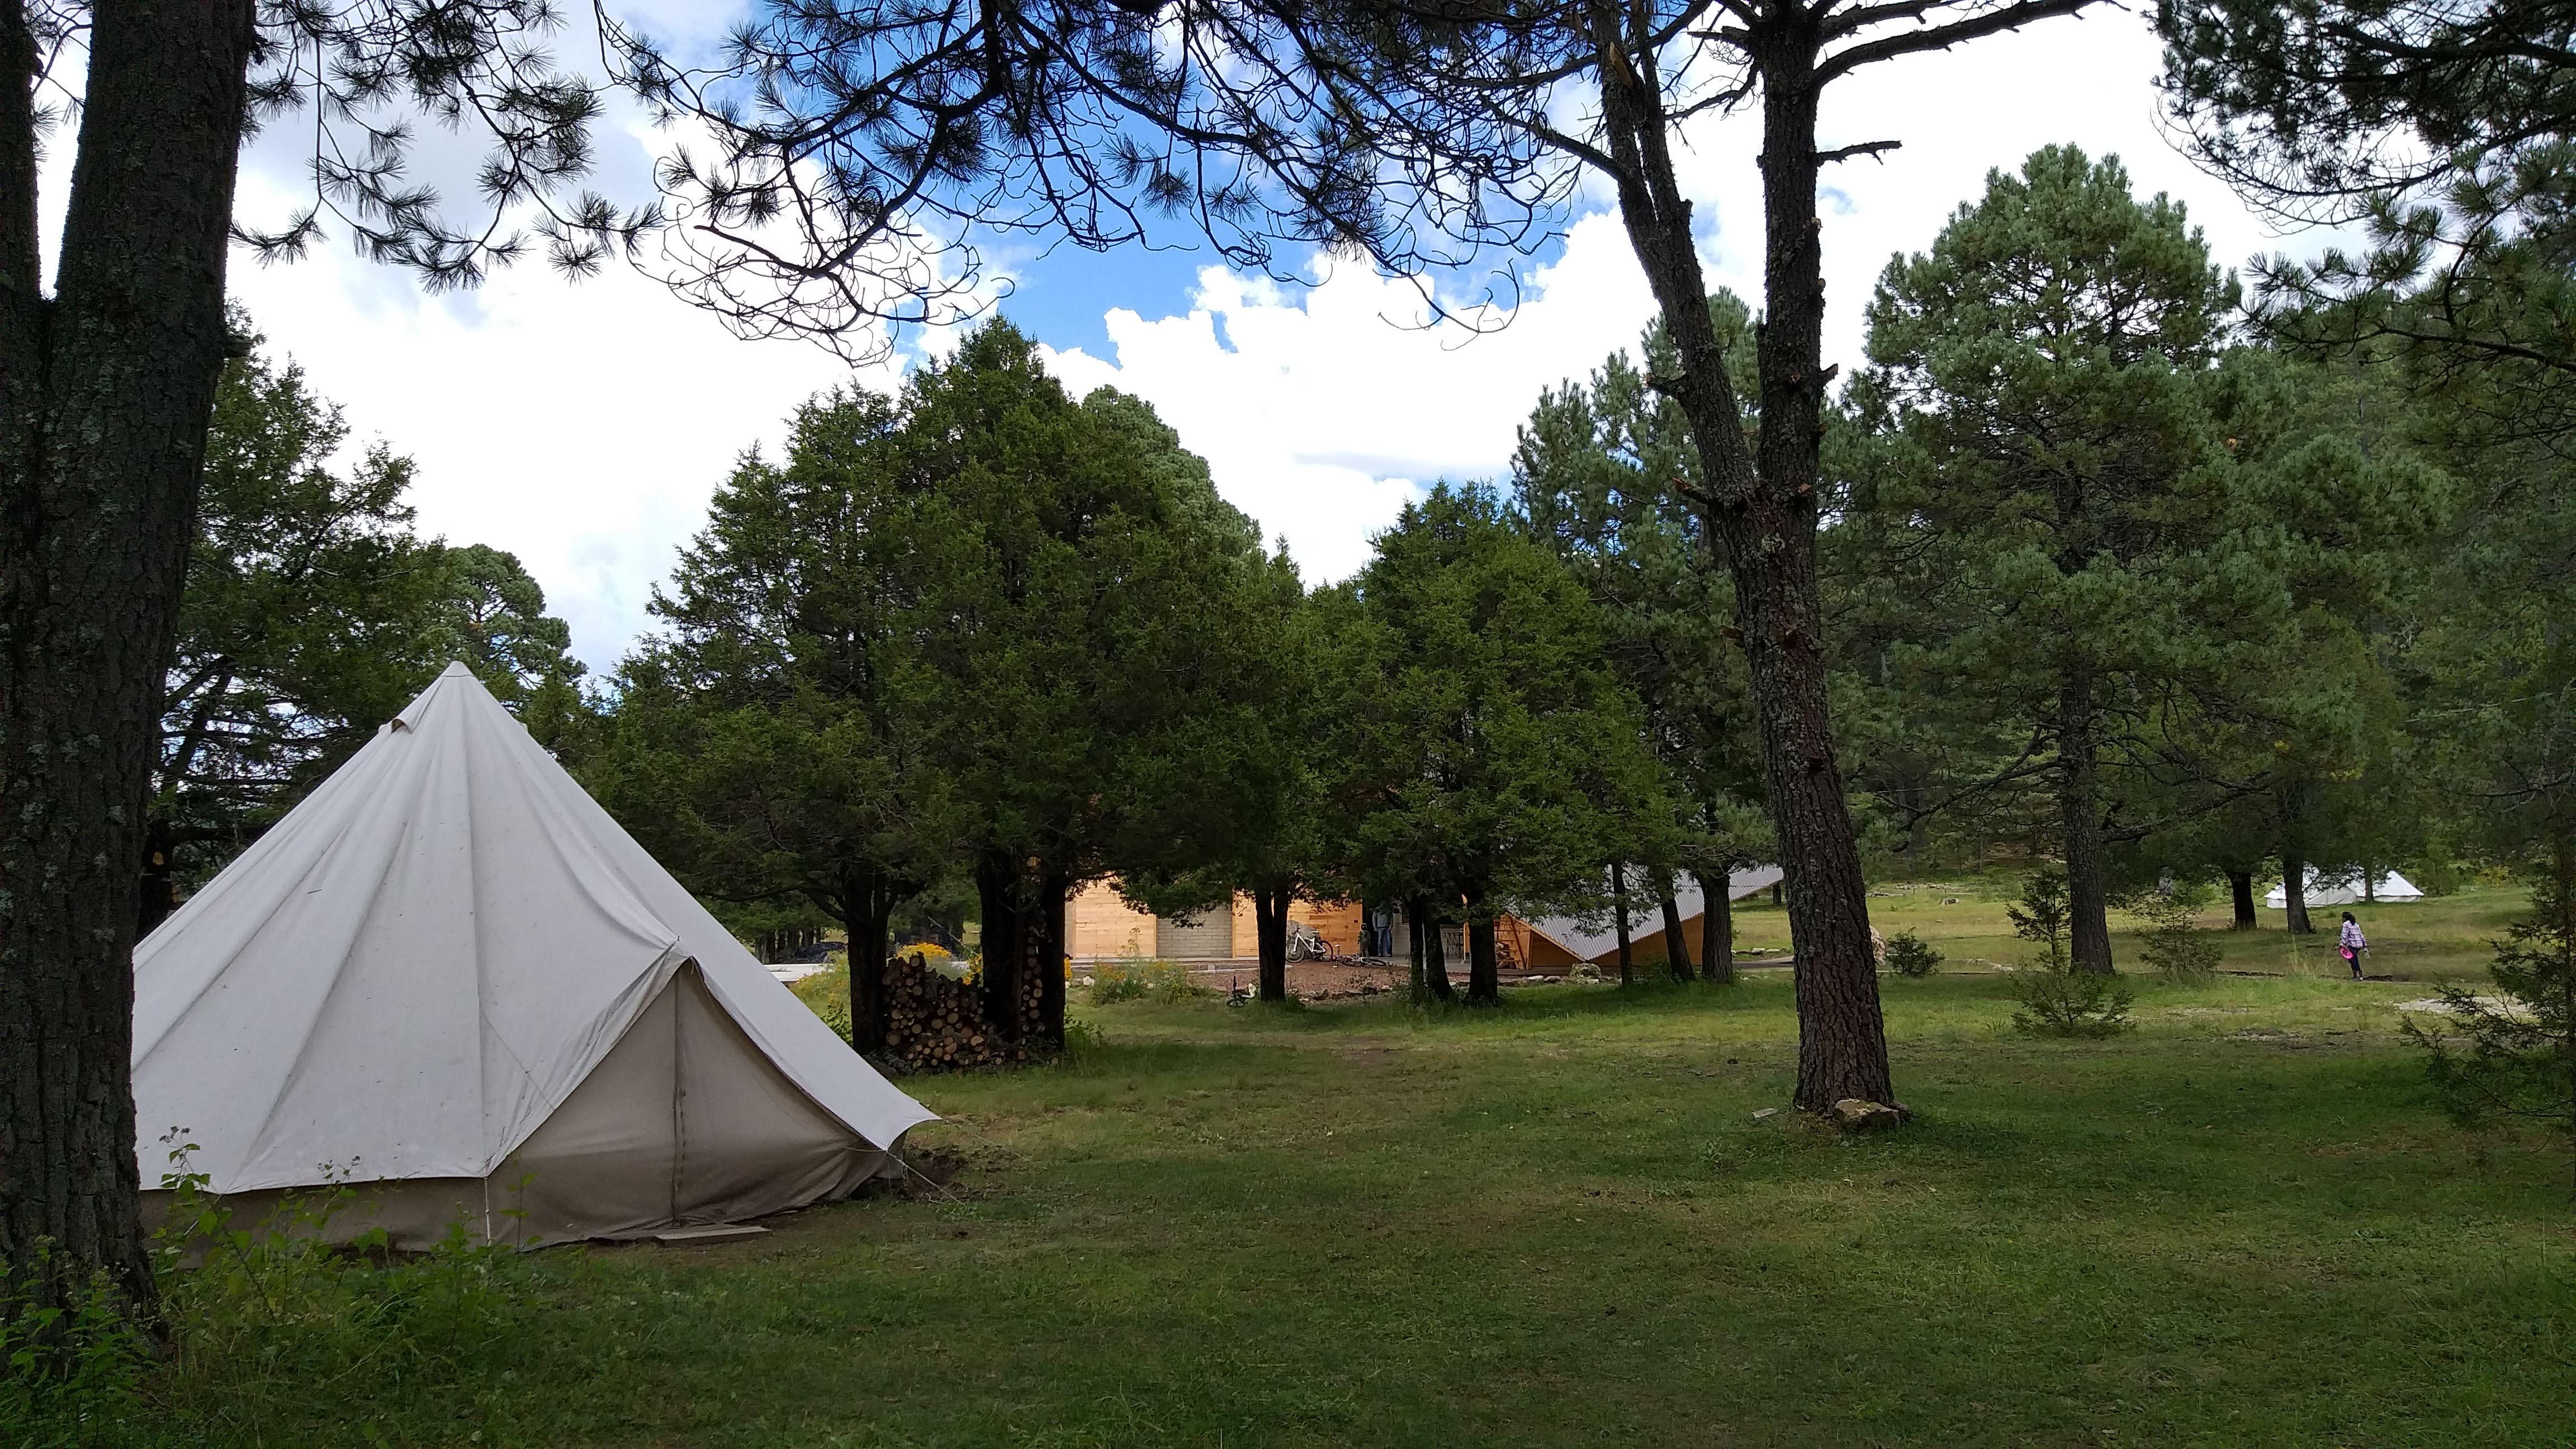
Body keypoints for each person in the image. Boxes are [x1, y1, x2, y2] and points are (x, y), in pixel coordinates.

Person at [2338, 912, 2368, 979]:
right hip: (2359, 944)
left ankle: (2359, 975)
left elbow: (2345, 935)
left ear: (2345, 918)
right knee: (2351, 959)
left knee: (2354, 960)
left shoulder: (2346, 925)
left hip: (2352, 944)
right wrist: (2364, 945)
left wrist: (2343, 944)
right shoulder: (2356, 925)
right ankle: (2355, 975)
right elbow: (2361, 935)